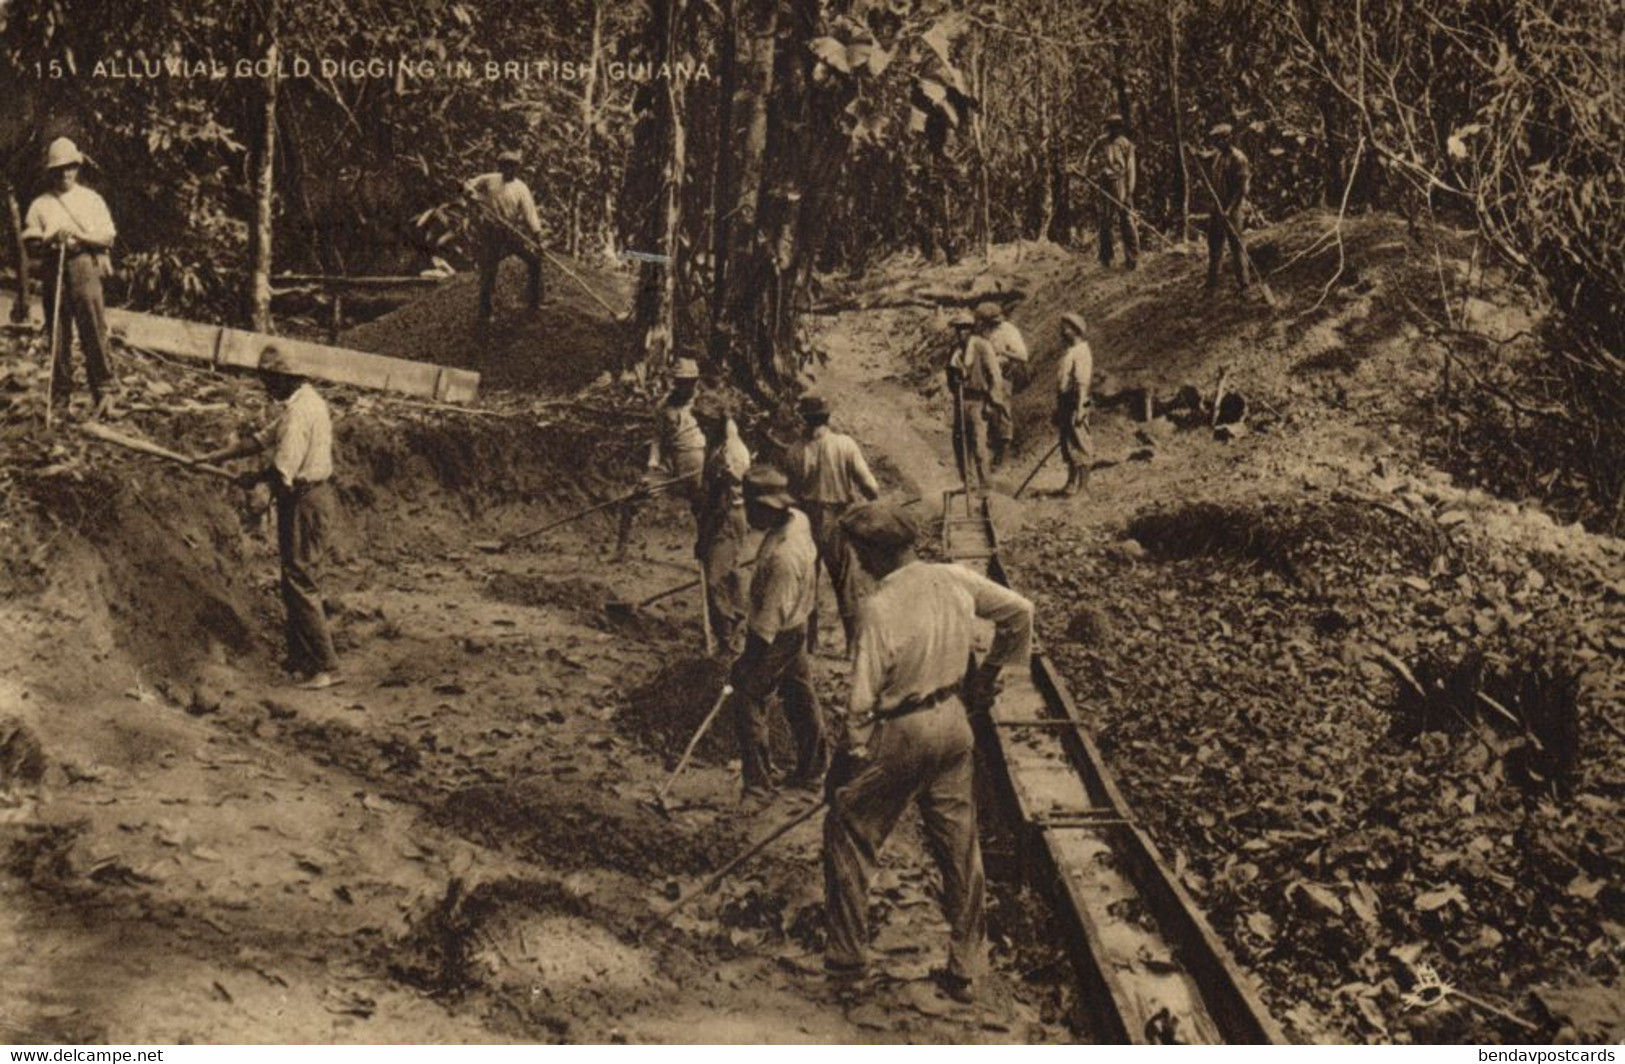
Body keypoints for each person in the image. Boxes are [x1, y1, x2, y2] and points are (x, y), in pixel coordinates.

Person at [822, 501, 1034, 1003]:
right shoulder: (954, 578)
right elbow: (1021, 612)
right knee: (960, 850)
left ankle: (848, 967)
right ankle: (965, 969)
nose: (861, 563)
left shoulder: (879, 606)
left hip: (903, 731)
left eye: (861, 553)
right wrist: (987, 675)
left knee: (848, 832)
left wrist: (847, 761)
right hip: (954, 723)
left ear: (876, 551)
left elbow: (861, 701)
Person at [197, 347, 341, 690]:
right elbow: (261, 440)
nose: (265, 388)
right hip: (306, 499)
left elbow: (281, 471)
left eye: (268, 380)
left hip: (306, 501)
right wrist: (216, 456)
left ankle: (326, 665)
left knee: (299, 579)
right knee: (294, 577)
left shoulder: (299, 414)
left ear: (283, 378)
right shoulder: (306, 403)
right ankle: (300, 659)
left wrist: (255, 482)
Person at [725, 465, 827, 801]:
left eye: (751, 508)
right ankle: (813, 772)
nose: (746, 513)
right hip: (796, 623)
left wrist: (743, 665)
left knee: (747, 697)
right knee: (800, 695)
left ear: (767, 508)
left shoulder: (784, 561)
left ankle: (758, 786)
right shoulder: (798, 519)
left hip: (780, 633)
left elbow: (764, 632)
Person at [22, 137, 118, 420]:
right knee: (58, 333)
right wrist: (51, 239)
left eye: (70, 168)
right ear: (51, 171)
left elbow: (108, 236)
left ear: (78, 167)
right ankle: (60, 396)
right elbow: (30, 241)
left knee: (93, 329)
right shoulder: (41, 204)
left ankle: (105, 392)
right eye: (60, 169)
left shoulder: (91, 200)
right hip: (54, 268)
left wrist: (79, 237)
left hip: (83, 266)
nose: (65, 174)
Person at [783, 394, 879, 652]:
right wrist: (867, 501)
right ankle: (852, 645)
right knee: (845, 581)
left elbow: (789, 495)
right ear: (828, 417)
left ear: (804, 419)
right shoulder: (844, 445)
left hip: (805, 521)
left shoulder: (794, 451)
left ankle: (810, 643)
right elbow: (871, 487)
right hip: (838, 520)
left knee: (807, 582)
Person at [692, 393, 752, 649]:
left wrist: (705, 534)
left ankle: (728, 637)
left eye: (706, 422)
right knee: (728, 573)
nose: (702, 426)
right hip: (723, 514)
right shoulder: (717, 445)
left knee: (718, 576)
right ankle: (730, 629)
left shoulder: (729, 453)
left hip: (726, 516)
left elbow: (722, 498)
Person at [465, 148, 546, 321]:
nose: (509, 170)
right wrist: (470, 192)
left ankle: (534, 302)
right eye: (505, 166)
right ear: (500, 167)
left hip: (510, 232)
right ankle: (485, 311)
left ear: (517, 168)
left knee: (534, 261)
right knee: (489, 269)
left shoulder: (520, 188)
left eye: (512, 167)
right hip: (492, 232)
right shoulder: (490, 180)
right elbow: (469, 184)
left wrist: (537, 238)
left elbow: (530, 214)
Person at [951, 307, 1009, 481]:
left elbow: (996, 377)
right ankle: (967, 482)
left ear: (972, 328)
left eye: (965, 328)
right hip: (961, 400)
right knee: (960, 443)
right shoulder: (955, 352)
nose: (961, 332)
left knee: (979, 445)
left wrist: (992, 402)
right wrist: (955, 386)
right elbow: (950, 378)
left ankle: (984, 484)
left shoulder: (983, 347)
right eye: (958, 328)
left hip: (979, 401)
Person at [645, 357, 706, 512]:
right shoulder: (664, 405)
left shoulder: (705, 402)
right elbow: (657, 437)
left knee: (703, 503)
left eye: (689, 381)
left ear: (695, 381)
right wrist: (653, 461)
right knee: (647, 488)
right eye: (681, 381)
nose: (685, 386)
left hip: (700, 456)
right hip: (674, 457)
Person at [1204, 123, 1251, 292]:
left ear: (1228, 139)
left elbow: (1241, 189)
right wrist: (1193, 153)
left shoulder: (1238, 159)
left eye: (1219, 140)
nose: (1216, 144)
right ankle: (1212, 282)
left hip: (1233, 208)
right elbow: (1205, 156)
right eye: (1215, 141)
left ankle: (1244, 284)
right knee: (1214, 243)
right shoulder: (1218, 155)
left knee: (1236, 245)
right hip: (1218, 206)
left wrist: (1230, 210)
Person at [1054, 312, 1094, 497]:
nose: (1062, 330)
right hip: (1065, 401)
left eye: (1066, 327)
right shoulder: (1069, 351)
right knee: (1067, 443)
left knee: (1080, 442)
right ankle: (1071, 483)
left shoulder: (1082, 352)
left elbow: (1082, 382)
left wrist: (1080, 408)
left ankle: (1083, 488)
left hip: (1076, 400)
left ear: (1075, 330)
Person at [1098, 113, 1139, 271]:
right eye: (1110, 127)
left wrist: (1129, 191)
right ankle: (1106, 258)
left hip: (1120, 183)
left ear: (1119, 128)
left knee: (1126, 219)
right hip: (1105, 183)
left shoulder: (1125, 144)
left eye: (1115, 127)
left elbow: (1131, 169)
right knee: (1105, 220)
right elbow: (1090, 155)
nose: (1112, 130)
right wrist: (1086, 168)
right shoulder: (1102, 141)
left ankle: (1132, 258)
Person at [980, 301, 1031, 392]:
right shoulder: (987, 331)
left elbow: (1023, 357)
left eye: (984, 321)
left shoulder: (1008, 330)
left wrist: (1002, 352)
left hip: (1012, 373)